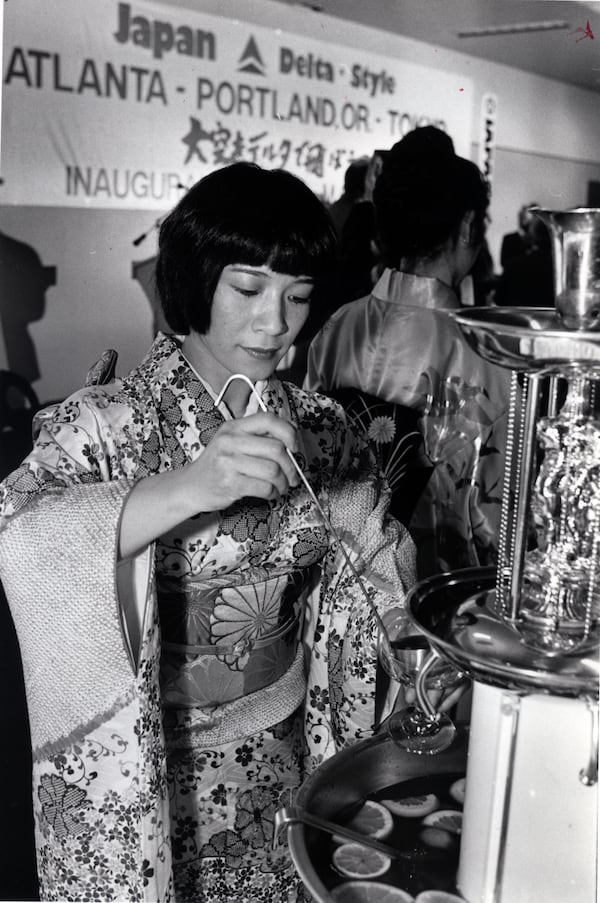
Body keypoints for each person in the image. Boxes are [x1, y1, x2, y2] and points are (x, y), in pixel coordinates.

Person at [0, 162, 416, 903]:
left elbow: (371, 557)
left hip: (284, 754)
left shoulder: (321, 426)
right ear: (195, 280)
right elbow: (18, 534)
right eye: (248, 289)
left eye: (297, 295)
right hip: (155, 767)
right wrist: (188, 487)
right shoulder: (106, 423)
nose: (275, 322)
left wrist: (407, 635)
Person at [305, 126, 511, 579]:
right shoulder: (491, 356)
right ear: (466, 226)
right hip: (437, 593)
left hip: (336, 583)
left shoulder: (335, 328)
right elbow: (494, 524)